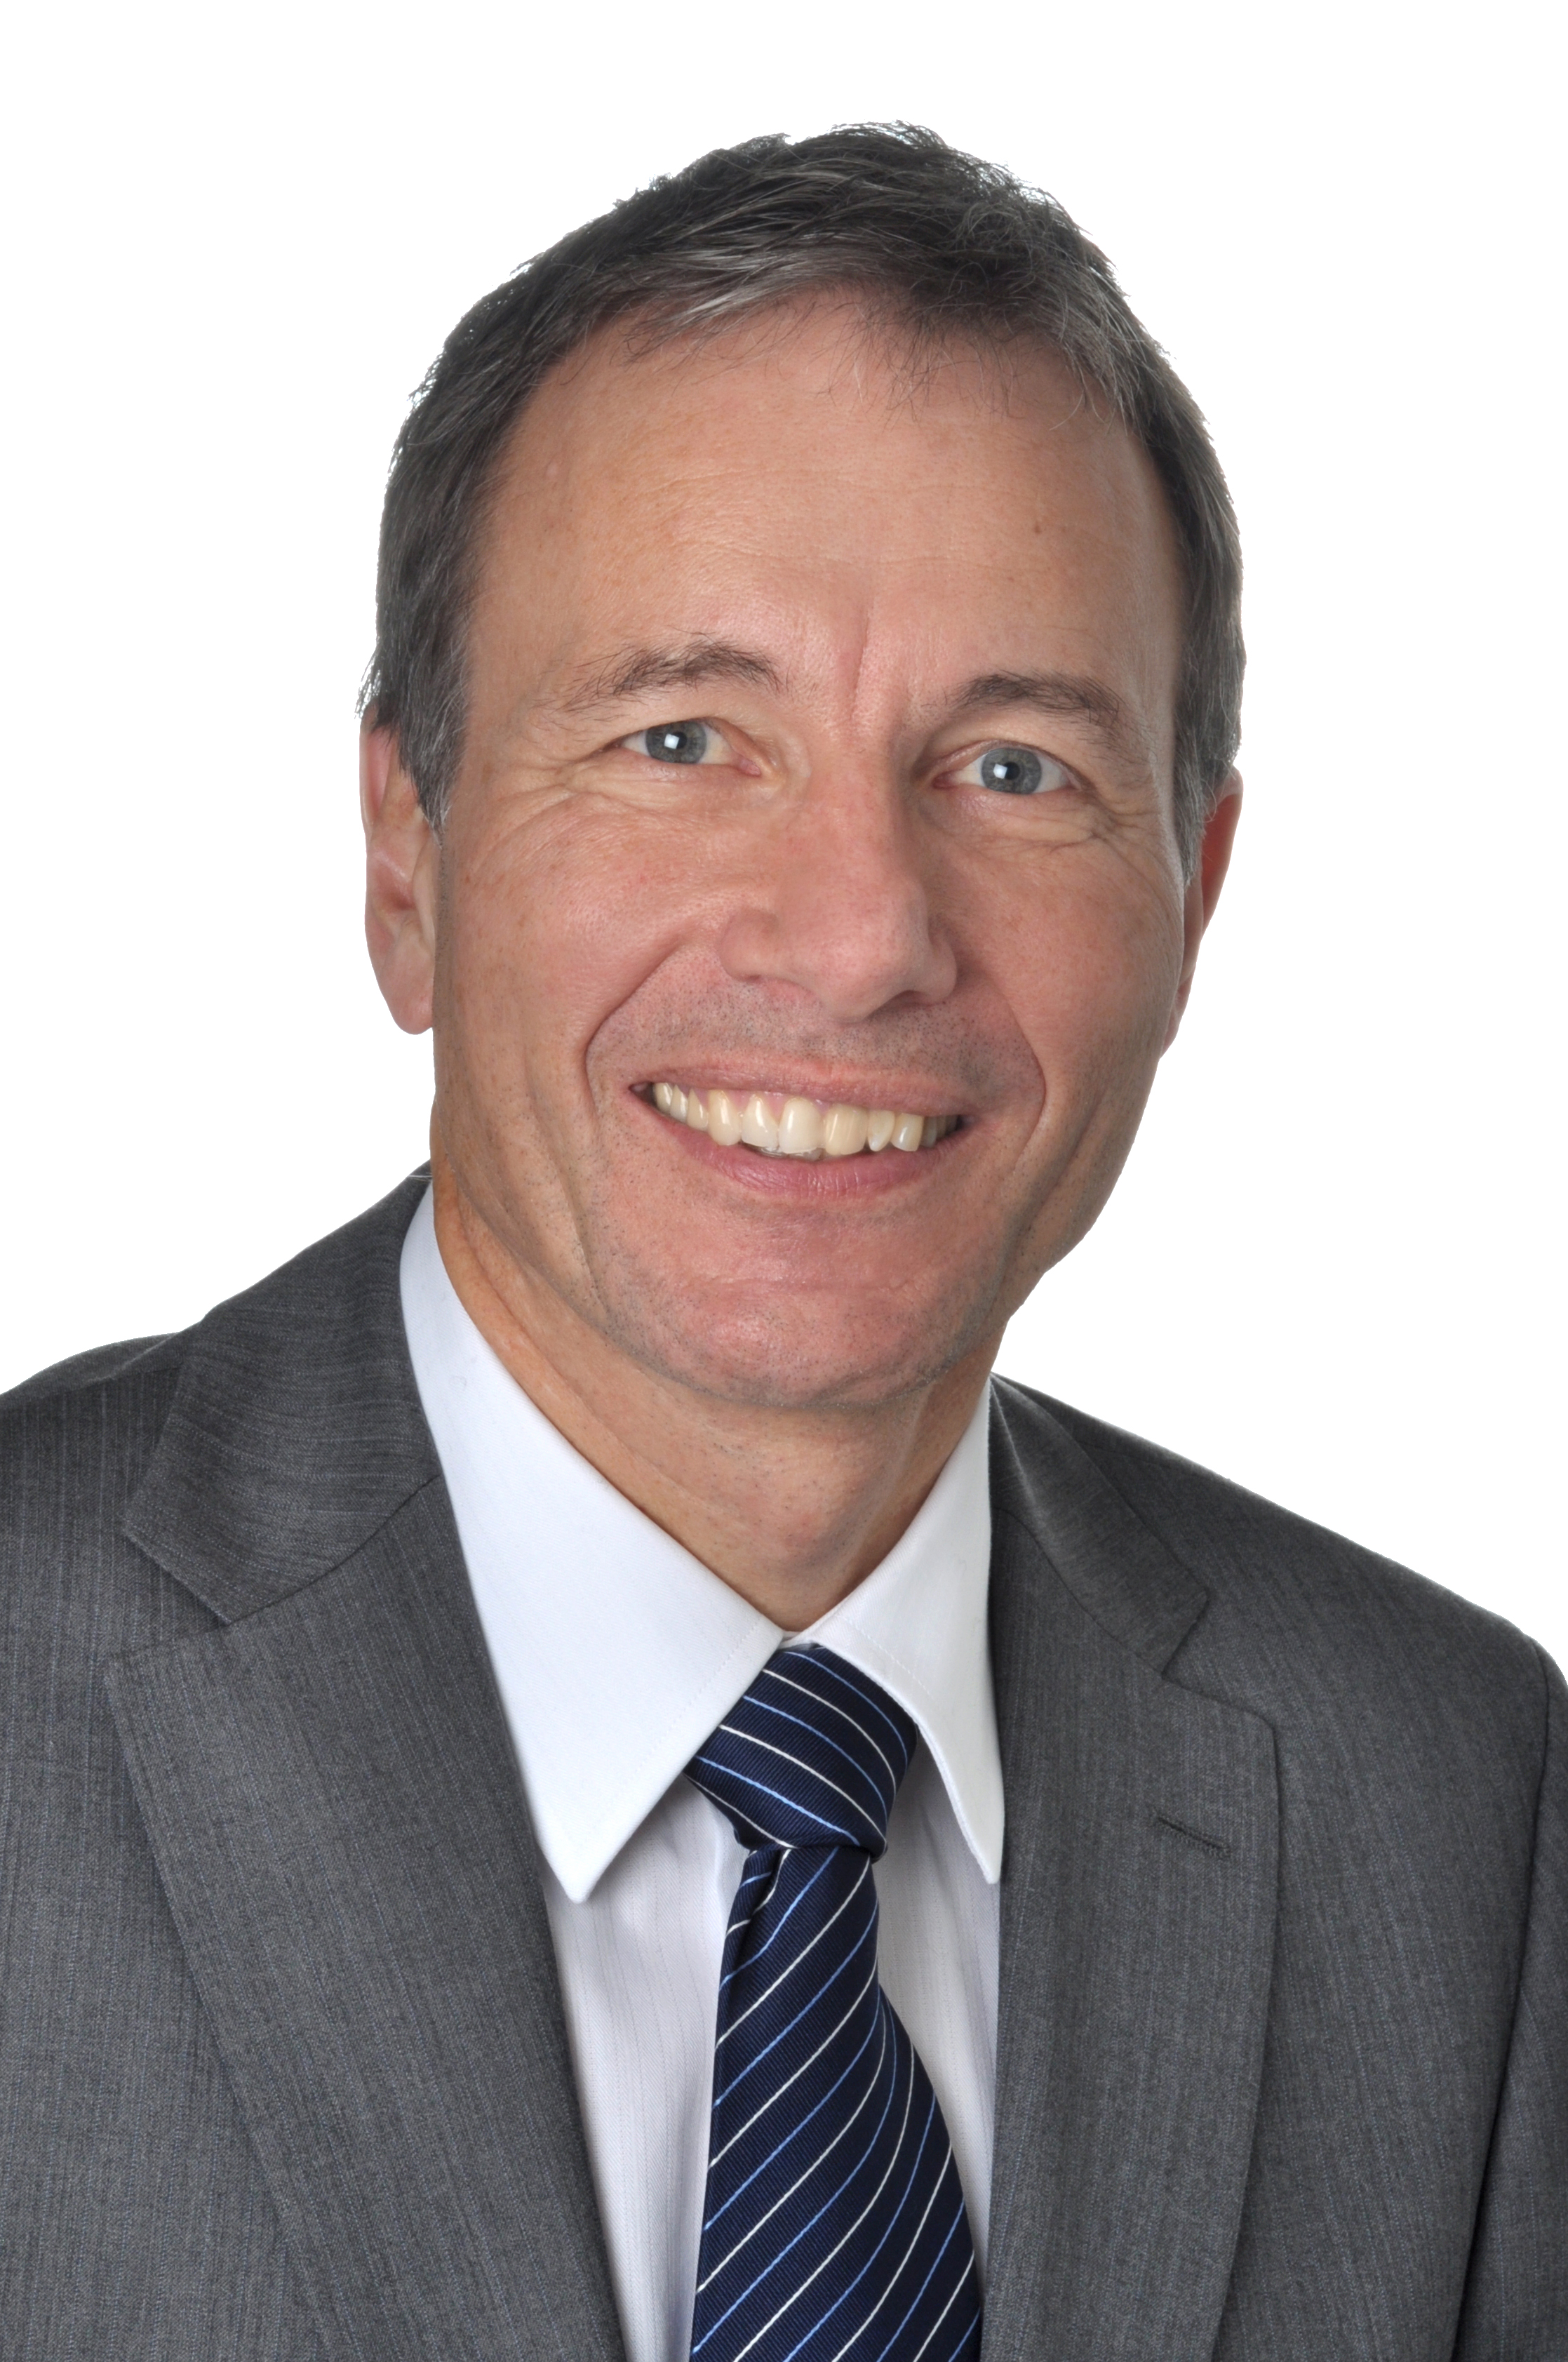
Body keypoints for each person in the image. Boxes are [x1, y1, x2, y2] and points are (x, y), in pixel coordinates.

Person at [1, 124, 1561, 2362]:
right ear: (406, 852)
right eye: (681, 739)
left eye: (1013, 769)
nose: (855, 939)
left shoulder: (1451, 1800)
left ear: (1190, 896)